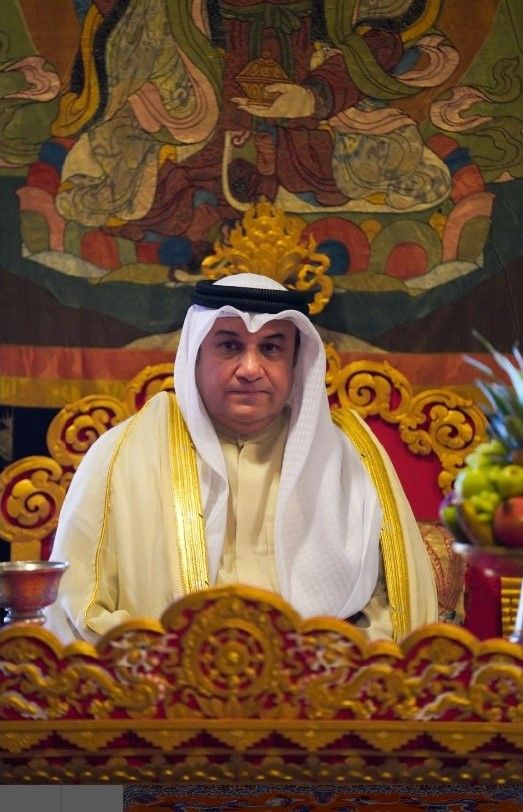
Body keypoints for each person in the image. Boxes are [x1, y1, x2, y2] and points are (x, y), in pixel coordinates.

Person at [44, 273, 438, 644]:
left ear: (295, 363)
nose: (250, 369)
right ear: (197, 354)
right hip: (162, 686)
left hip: (322, 687)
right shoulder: (123, 454)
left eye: (271, 348)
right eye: (230, 346)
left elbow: (400, 608)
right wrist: (178, 665)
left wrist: (316, 668)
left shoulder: (351, 457)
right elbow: (76, 606)